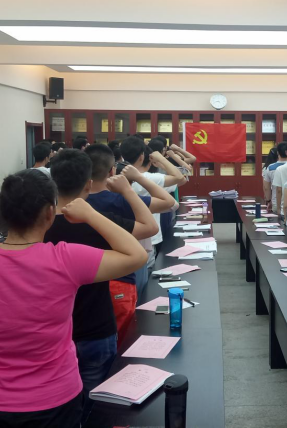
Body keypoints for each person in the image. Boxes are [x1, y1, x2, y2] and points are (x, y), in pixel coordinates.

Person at [0, 169, 147, 427]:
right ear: (50, 213)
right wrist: (91, 214)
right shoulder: (65, 258)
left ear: (2, 213)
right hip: (56, 399)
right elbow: (136, 255)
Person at [44, 150, 157, 422]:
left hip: (52, 332)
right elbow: (149, 227)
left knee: (58, 407)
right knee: (97, 408)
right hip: (95, 327)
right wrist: (126, 191)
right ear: (88, 184)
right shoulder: (100, 222)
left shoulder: (38, 227)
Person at [85, 144, 175, 316]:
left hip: (86, 277)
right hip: (121, 276)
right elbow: (168, 202)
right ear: (112, 171)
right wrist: (134, 182)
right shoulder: (122, 200)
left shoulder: (77, 203)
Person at [121, 137, 186, 261]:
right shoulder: (148, 178)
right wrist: (161, 159)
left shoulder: (118, 176)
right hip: (149, 236)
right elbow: (180, 178)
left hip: (127, 234)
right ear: (142, 157)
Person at [263, 142, 287, 213]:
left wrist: (268, 200)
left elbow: (266, 187)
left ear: (278, 153)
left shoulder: (271, 167)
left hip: (276, 202)